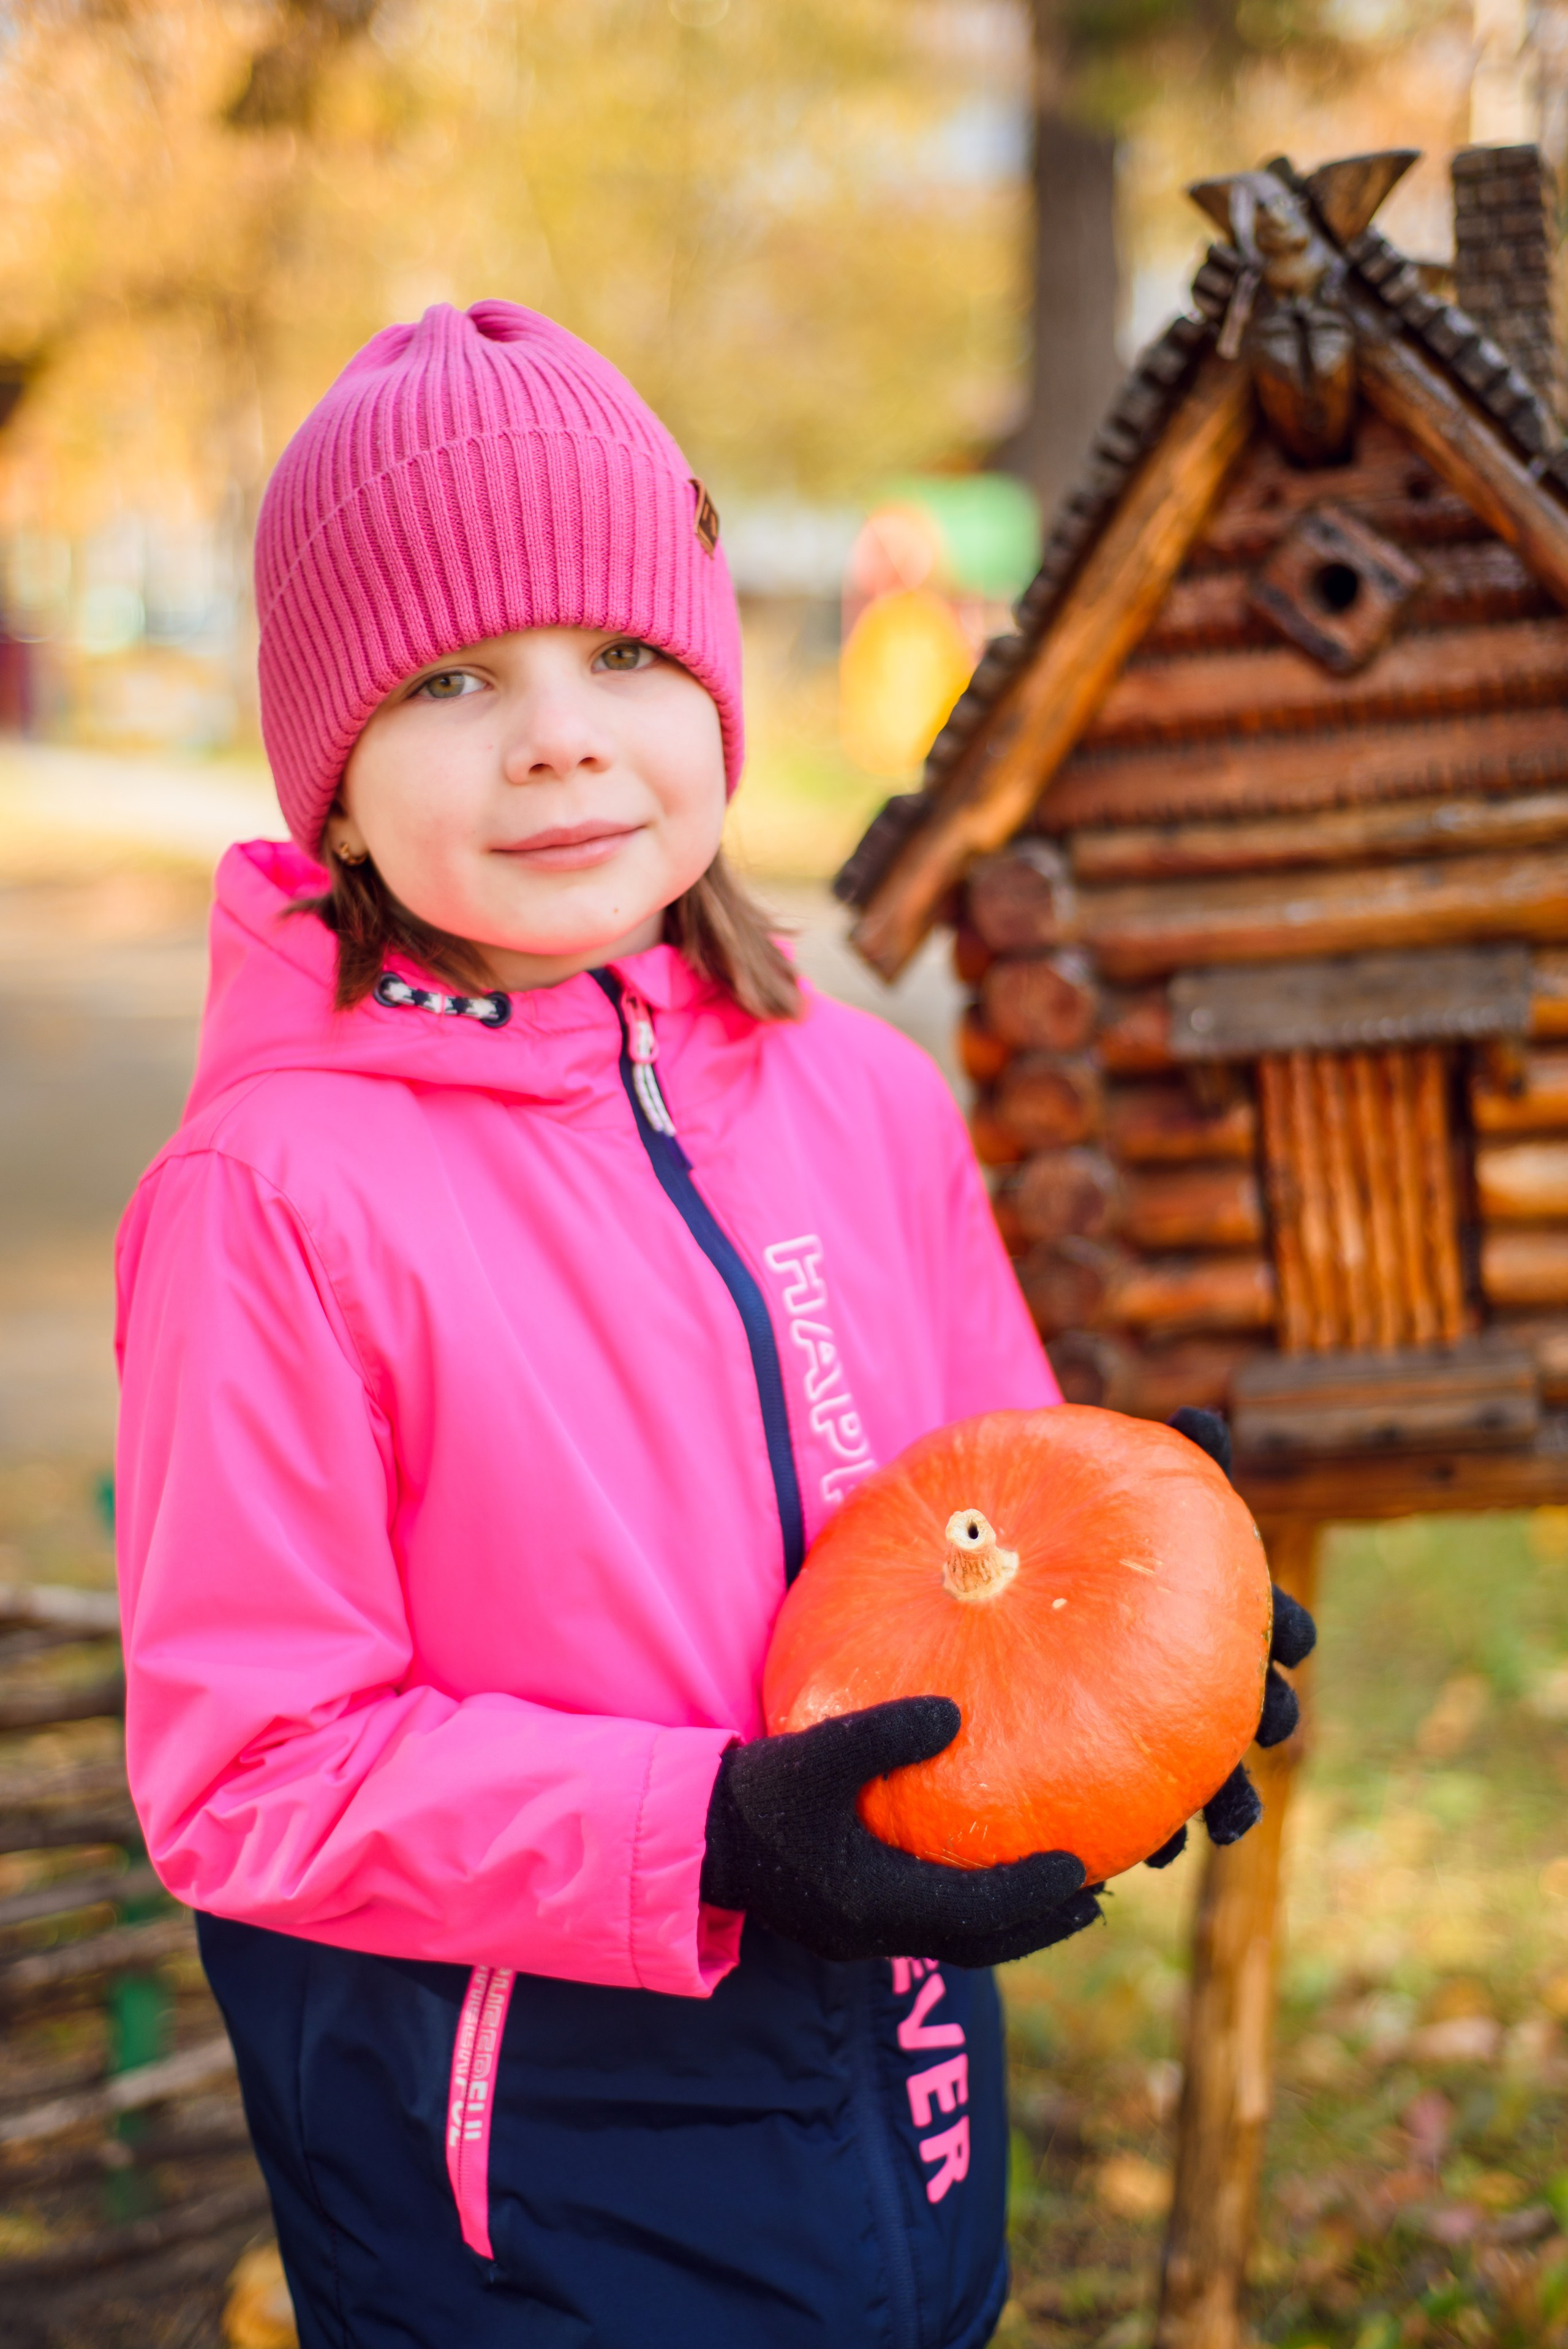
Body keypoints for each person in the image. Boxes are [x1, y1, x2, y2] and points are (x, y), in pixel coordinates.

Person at [115, 301, 1306, 2349]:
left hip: (903, 2127)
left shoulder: (859, 1094)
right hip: (528, 2206)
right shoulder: (277, 1197)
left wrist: (1141, 1652)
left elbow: (991, 1510)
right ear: (330, 770)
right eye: (455, 677)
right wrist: (717, 1836)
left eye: (630, 654)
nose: (563, 732)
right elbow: (253, 1770)